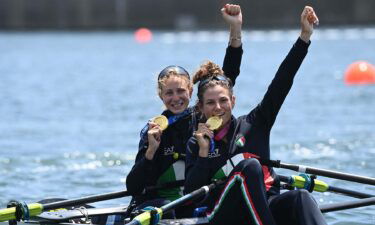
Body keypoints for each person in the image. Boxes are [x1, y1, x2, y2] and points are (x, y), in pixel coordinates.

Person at [184, 6, 326, 225]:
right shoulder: (197, 141)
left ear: (233, 101)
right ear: (201, 108)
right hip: (220, 214)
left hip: (266, 206)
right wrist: (203, 153)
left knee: (301, 197)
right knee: (249, 167)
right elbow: (190, 197)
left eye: (223, 100)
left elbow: (282, 81)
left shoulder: (255, 123)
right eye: (210, 103)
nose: (218, 107)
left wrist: (305, 37)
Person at [125, 4, 244, 219]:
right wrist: (151, 151)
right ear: (161, 96)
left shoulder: (201, 115)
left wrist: (235, 29)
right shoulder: (153, 130)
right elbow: (133, 187)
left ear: (191, 91)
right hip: (159, 205)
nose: (176, 98)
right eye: (169, 93)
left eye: (181, 91)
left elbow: (228, 77)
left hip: (197, 199)